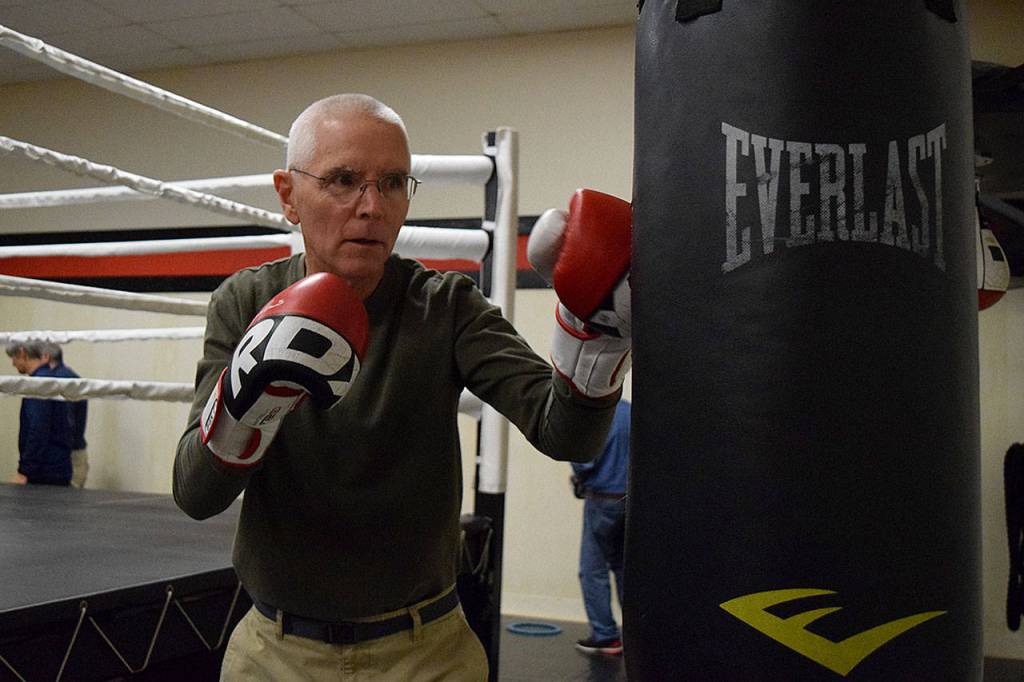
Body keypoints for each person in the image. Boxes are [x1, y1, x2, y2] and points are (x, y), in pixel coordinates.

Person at [173, 93, 633, 680]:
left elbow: (563, 432)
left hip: (427, 652)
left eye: (392, 183)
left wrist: (593, 339)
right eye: (343, 180)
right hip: (277, 653)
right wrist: (247, 407)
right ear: (288, 195)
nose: (372, 207)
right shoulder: (243, 302)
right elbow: (194, 493)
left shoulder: (446, 307)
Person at [570, 398, 630, 656]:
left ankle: (606, 635)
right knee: (623, 567)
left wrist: (576, 473)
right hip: (630, 501)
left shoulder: (598, 417)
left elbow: (585, 460)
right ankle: (636, 634)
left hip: (602, 500)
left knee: (592, 570)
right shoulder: (630, 412)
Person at [5, 340, 73, 486]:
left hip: (44, 471)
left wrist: (25, 470)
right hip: (56, 465)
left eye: (14, 357)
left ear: (22, 353)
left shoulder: (38, 384)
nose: (13, 363)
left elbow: (38, 429)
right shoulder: (50, 379)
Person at [44, 342, 89, 488]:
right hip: (76, 451)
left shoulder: (57, 381)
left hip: (67, 455)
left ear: (45, 357)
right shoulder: (73, 377)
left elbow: (66, 422)